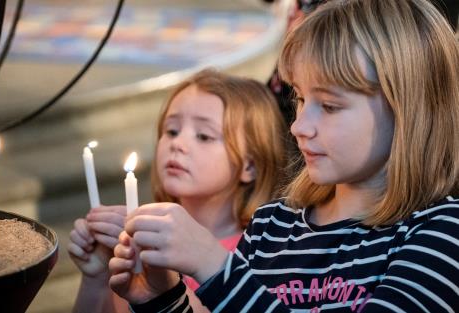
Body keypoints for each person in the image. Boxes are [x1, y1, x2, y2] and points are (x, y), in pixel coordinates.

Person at [108, 0, 459, 312]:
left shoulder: (442, 235)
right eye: (302, 99)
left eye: (331, 106)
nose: (299, 127)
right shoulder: (271, 227)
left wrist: (214, 267)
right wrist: (162, 298)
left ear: (409, 110)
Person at [67, 68, 287, 312]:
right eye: (171, 130)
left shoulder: (261, 253)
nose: (178, 144)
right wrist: (96, 277)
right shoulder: (139, 243)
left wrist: (166, 287)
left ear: (250, 164)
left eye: (203, 136)